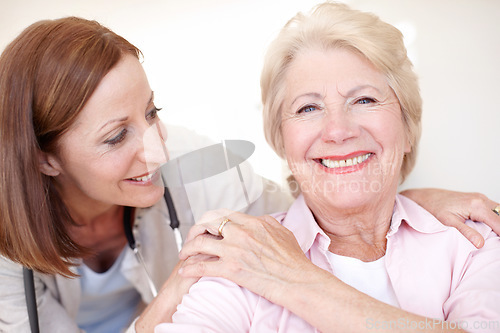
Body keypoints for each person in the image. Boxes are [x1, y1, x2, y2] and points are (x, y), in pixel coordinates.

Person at [0, 15, 497, 333]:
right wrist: (175, 291)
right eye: (115, 137)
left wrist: (408, 198)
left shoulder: (474, 243)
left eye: (152, 112)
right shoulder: (235, 273)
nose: (156, 151)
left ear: (408, 119)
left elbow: (316, 193)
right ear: (45, 158)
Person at [156, 3, 500, 332]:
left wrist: (294, 278)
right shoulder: (242, 255)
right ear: (282, 140)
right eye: (308, 108)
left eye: (364, 100)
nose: (338, 130)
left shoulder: (475, 240)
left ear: (407, 129)